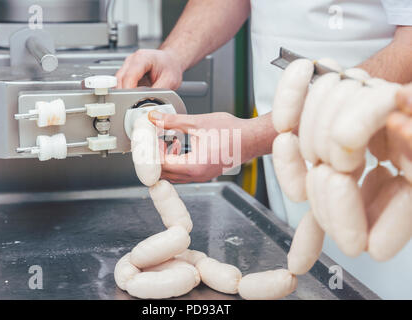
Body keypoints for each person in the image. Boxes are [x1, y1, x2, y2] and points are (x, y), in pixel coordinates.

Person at [117, 0, 412, 298]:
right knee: (311, 280)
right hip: (283, 150)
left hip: (382, 151)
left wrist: (251, 138)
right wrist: (174, 54)